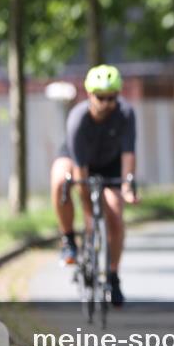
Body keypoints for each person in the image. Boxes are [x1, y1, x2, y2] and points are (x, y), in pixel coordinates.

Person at [50, 65, 139, 307]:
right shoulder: (78, 119)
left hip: (109, 163)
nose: (107, 103)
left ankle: (113, 275)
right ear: (90, 95)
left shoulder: (126, 115)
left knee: (115, 214)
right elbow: (80, 169)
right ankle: (68, 240)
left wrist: (128, 187)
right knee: (60, 180)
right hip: (78, 161)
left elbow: (129, 155)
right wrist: (88, 212)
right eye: (101, 97)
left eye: (112, 97)